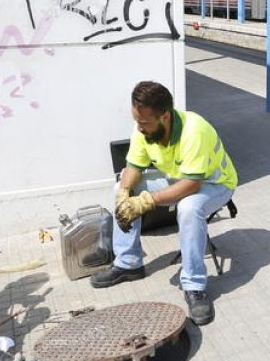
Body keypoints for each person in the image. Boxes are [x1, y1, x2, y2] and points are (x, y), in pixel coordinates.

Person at [89, 81, 238, 326]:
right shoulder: (144, 128)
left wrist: (146, 201)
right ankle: (128, 263)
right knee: (120, 187)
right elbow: (134, 167)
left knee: (189, 207)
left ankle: (194, 286)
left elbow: (191, 186)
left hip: (215, 183)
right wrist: (125, 193)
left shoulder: (194, 131)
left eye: (144, 123)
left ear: (165, 116)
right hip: (179, 177)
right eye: (137, 121)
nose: (139, 127)